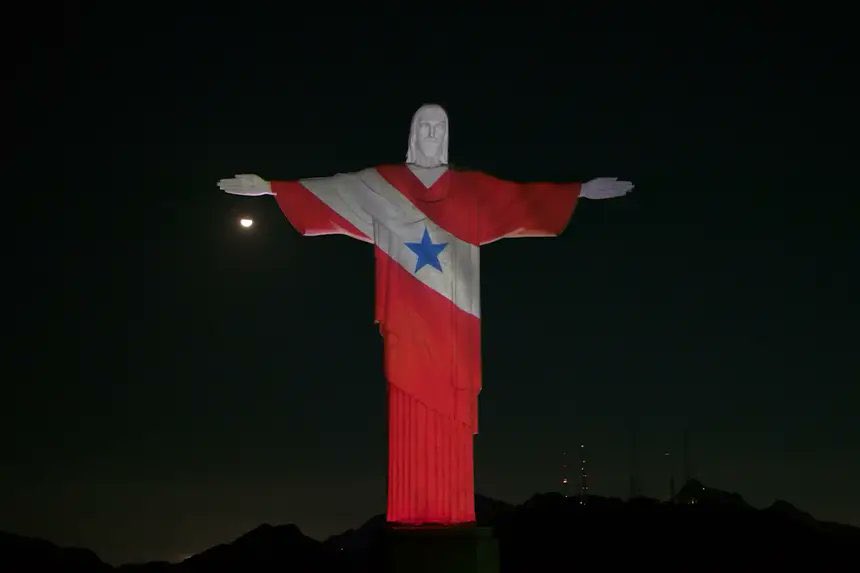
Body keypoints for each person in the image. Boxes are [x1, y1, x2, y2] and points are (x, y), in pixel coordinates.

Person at [218, 103, 633, 524]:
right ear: (413, 134)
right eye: (425, 126)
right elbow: (333, 190)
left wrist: (578, 191)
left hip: (453, 333)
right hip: (409, 329)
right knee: (407, 416)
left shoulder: (472, 189)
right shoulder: (384, 185)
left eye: (440, 126)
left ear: (447, 134)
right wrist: (271, 187)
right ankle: (410, 513)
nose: (433, 133)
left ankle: (453, 514)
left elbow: (521, 198)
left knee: (451, 421)